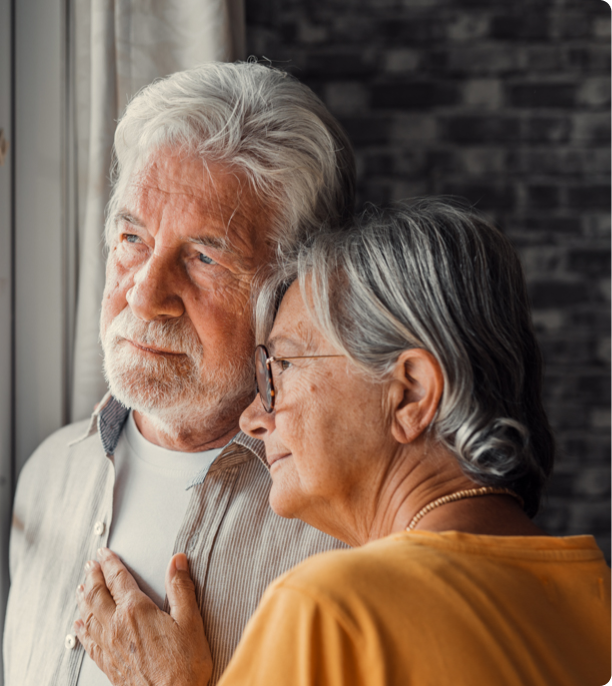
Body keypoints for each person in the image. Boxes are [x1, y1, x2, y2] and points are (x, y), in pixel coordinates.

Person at [73, 198, 612, 686]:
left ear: (410, 394)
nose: (252, 418)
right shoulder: (597, 593)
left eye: (278, 368)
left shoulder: (330, 612)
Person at [4, 61, 357, 686]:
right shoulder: (47, 476)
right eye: (132, 238)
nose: (144, 297)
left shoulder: (347, 540)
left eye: (202, 257)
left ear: (291, 292)